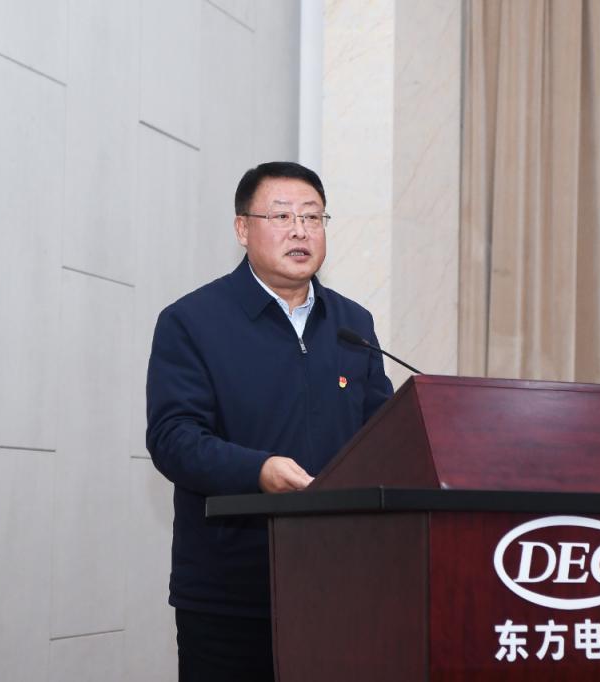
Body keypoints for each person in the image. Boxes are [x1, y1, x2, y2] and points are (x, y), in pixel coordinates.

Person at [145, 161, 394, 681]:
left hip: (341, 583)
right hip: (231, 590)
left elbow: (384, 434)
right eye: (282, 216)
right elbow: (174, 438)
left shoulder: (352, 323)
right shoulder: (192, 321)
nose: (300, 231)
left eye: (313, 217)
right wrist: (258, 471)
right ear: (243, 228)